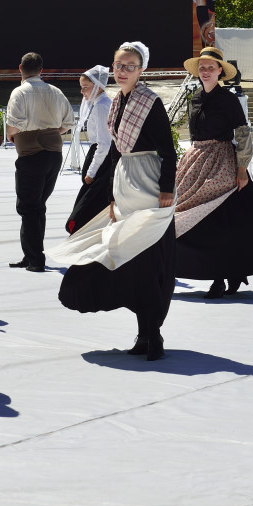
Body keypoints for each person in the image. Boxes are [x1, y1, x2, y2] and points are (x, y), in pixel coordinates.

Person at [50, 41, 178, 360]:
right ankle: (143, 334)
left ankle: (153, 334)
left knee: (148, 260)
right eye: (118, 65)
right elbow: (116, 154)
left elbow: (168, 151)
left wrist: (165, 190)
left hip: (148, 182)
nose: (122, 71)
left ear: (141, 69)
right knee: (128, 260)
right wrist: (111, 197)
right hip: (125, 183)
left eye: (129, 66)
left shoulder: (150, 102)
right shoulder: (118, 101)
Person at [174, 47, 253, 298]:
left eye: (211, 67)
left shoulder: (228, 100)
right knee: (185, 216)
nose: (206, 71)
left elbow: (242, 134)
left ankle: (223, 275)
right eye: (202, 67)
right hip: (195, 161)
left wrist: (242, 169)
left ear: (220, 71)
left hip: (222, 161)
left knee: (221, 219)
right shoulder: (195, 98)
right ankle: (219, 271)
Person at [4, 51, 75, 272]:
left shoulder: (20, 92)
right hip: (54, 153)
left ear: (20, 69)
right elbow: (68, 122)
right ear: (41, 70)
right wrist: (52, 132)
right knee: (37, 206)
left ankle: (35, 258)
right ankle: (31, 254)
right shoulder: (55, 91)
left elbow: (14, 124)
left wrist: (11, 135)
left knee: (28, 206)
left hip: (31, 152)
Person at [66, 65, 115, 234]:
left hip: (102, 161)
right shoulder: (100, 103)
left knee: (87, 207)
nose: (82, 92)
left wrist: (92, 172)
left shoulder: (102, 106)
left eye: (85, 88)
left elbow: (104, 144)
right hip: (100, 156)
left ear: (98, 86)